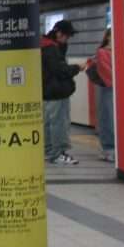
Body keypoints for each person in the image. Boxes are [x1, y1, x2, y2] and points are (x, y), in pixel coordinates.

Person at [41, 19, 83, 165]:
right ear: (58, 33)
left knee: (48, 123)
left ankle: (48, 151)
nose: (67, 39)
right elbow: (59, 70)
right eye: (66, 36)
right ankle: (58, 154)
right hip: (56, 92)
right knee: (59, 123)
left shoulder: (44, 45)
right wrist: (77, 68)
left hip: (47, 92)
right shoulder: (51, 49)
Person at [87, 29, 115, 163]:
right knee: (108, 118)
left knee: (113, 118)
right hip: (109, 89)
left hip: (118, 89)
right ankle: (108, 148)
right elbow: (107, 72)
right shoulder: (102, 52)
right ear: (108, 37)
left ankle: (111, 149)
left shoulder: (119, 50)